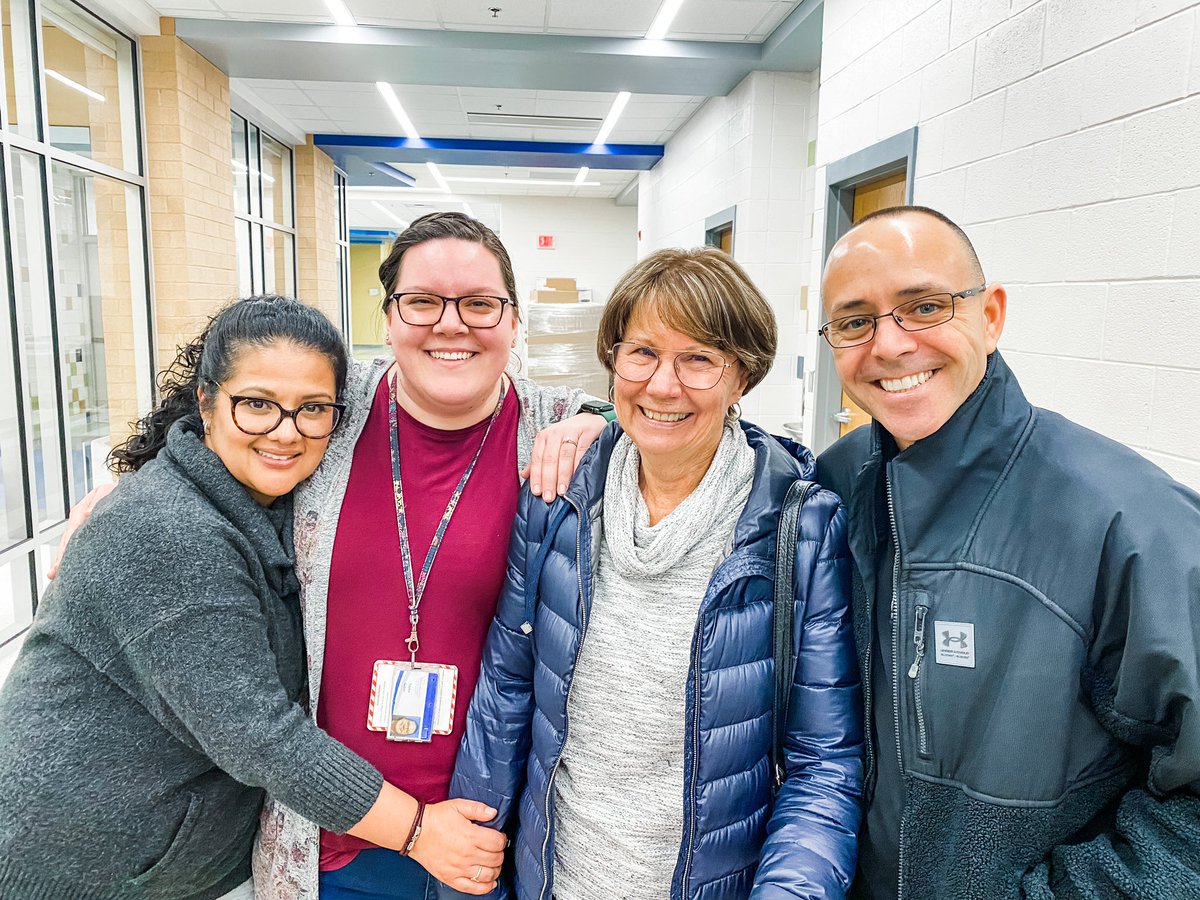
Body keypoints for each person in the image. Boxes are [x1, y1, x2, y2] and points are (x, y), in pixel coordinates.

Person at [0, 296, 501, 899]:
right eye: (257, 405)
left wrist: (591, 418)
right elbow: (259, 735)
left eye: (312, 409)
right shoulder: (169, 532)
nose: (286, 432)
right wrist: (420, 831)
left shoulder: (262, 500)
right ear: (206, 403)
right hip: (77, 867)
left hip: (152, 864)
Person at [452, 247, 864, 899]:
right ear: (614, 361)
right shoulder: (557, 501)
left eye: (698, 359)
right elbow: (505, 690)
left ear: (742, 378)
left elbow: (824, 764)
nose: (663, 385)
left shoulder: (800, 528)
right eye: (642, 353)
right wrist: (468, 881)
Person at [814, 206, 1200, 899]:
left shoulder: (1130, 522)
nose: (890, 345)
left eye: (923, 306)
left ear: (990, 316)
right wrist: (597, 439)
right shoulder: (838, 482)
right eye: (854, 321)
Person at [253, 213, 611, 900]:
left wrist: (605, 417)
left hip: (488, 847)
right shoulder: (328, 411)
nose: (452, 325)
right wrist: (133, 481)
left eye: (480, 304)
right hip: (330, 845)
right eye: (422, 302)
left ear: (513, 321)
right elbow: (214, 424)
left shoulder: (556, 428)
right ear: (388, 317)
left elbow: (686, 423)